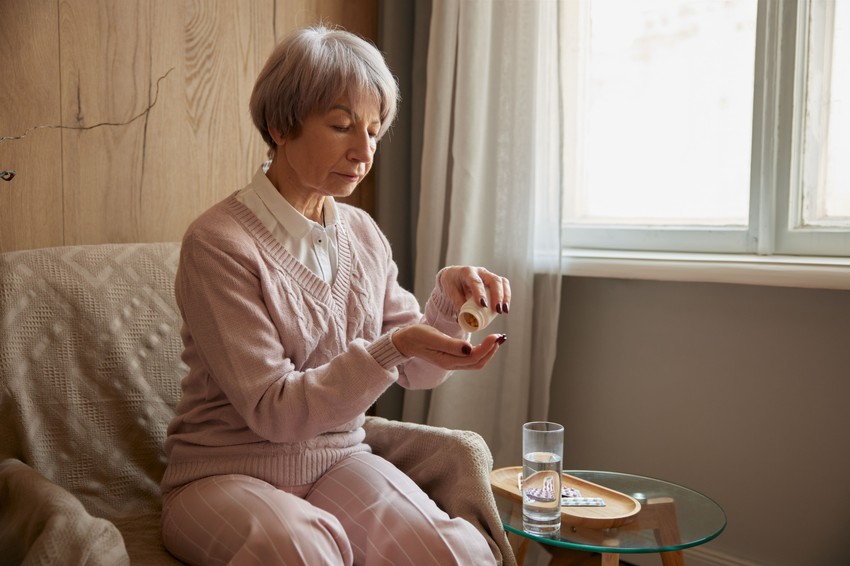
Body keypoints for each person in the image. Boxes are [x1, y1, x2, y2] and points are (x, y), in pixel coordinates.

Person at [159, 24, 511, 566]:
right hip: (222, 473)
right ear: (280, 125)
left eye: (373, 131)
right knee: (301, 552)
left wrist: (444, 305)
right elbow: (273, 412)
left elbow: (418, 371)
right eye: (342, 125)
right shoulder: (218, 243)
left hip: (337, 459)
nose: (363, 151)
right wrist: (395, 348)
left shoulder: (363, 233)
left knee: (451, 553)